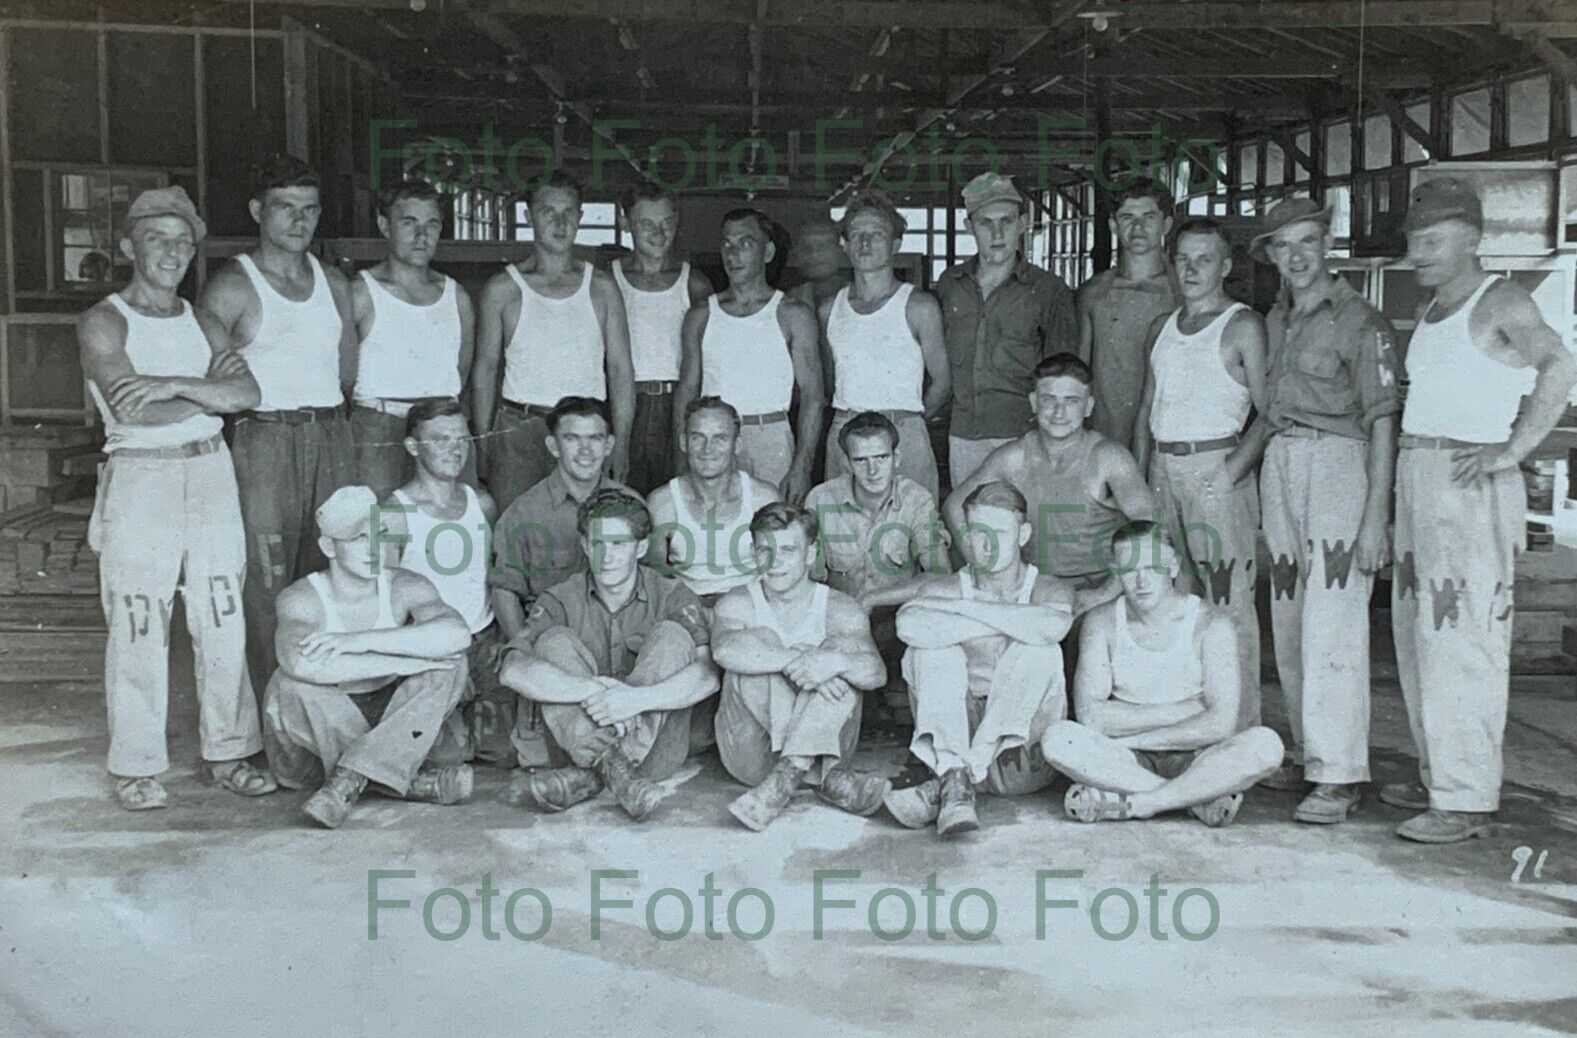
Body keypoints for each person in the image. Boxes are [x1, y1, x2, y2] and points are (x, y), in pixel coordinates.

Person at [1386, 177, 1576, 843]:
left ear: (1470, 238)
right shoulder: (1439, 304)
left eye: (1431, 242)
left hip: (1466, 476)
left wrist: (1513, 449)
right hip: (1421, 471)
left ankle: (1463, 798)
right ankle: (1439, 769)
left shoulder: (1501, 300)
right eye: (1413, 243)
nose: (1418, 255)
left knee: (1462, 638)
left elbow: (1559, 365)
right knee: (1418, 633)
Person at [78, 186, 275, 811]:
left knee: (222, 613)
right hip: (143, 477)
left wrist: (166, 383)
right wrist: (201, 392)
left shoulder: (200, 318)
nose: (171, 251)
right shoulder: (105, 319)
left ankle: (229, 750)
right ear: (129, 245)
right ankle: (135, 764)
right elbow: (143, 413)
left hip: (211, 473)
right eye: (157, 238)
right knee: (139, 617)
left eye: (183, 241)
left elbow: (248, 395)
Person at [1242, 197, 1402, 825]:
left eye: (1307, 240)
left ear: (1326, 242)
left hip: (1340, 463)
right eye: (1284, 246)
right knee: (1290, 612)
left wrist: (1374, 520)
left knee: (1333, 618)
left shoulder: (1363, 322)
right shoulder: (1277, 318)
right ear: (1273, 257)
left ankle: (1339, 774)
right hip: (1284, 461)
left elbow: (1383, 423)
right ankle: (1312, 752)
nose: (1297, 255)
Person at [198, 153, 357, 692]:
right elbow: (212, 381)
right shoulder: (232, 286)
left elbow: (347, 369)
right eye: (284, 207)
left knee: (334, 567)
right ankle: (272, 712)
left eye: (309, 209)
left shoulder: (334, 283)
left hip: (331, 431)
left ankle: (326, 698)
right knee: (266, 580)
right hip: (264, 438)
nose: (298, 220)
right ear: (256, 211)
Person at [1040, 522, 1285, 826]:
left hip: (1194, 756)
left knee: (1266, 745)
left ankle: (1139, 802)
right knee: (1058, 739)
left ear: (1172, 566)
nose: (1141, 581)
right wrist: (1188, 711)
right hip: (1126, 757)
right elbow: (1091, 717)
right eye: (1129, 570)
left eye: (1151, 567)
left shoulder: (1211, 624)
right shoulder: (1101, 622)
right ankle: (1194, 800)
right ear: (1116, 573)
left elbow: (1220, 725)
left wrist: (1134, 733)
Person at [498, 489, 720, 820]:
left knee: (673, 636)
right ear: (585, 546)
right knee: (553, 641)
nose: (607, 556)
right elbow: (512, 670)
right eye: (598, 544)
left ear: (641, 547)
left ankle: (596, 773)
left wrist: (637, 699)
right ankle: (616, 774)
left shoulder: (673, 594)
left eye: (618, 544)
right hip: (574, 746)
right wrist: (595, 691)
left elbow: (707, 676)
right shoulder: (560, 598)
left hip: (654, 754)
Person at [262, 486, 475, 829]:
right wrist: (403, 663)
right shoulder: (302, 597)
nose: (376, 548)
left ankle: (350, 780)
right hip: (319, 738)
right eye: (361, 539)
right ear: (329, 546)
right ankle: (404, 780)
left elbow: (456, 634)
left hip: (387, 716)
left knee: (450, 663)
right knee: (290, 685)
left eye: (380, 535)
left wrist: (358, 641)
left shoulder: (406, 584)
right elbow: (301, 663)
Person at [1131, 217, 1267, 730]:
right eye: (1182, 258)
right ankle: (1190, 722)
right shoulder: (1162, 328)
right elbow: (1147, 407)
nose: (1190, 269)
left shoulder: (1241, 324)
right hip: (1165, 470)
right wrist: (1146, 475)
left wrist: (1232, 471)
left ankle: (1242, 728)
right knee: (1175, 600)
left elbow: (1270, 411)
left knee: (1228, 606)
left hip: (1216, 468)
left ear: (1226, 266)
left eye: (1203, 259)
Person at [884, 482, 1074, 835]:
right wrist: (1011, 622)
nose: (987, 545)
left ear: (1023, 534)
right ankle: (956, 778)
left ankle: (959, 778)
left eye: (1000, 532)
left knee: (1039, 650)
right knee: (927, 651)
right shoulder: (946, 585)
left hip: (1020, 759)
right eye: (977, 533)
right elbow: (908, 624)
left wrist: (963, 610)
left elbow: (1053, 628)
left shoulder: (1048, 587)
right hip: (953, 745)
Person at [711, 503, 890, 830]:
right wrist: (802, 661)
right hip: (754, 758)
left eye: (788, 551)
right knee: (759, 642)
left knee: (840, 653)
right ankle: (802, 773)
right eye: (765, 550)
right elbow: (724, 651)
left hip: (827, 754)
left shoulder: (839, 608)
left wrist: (833, 661)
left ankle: (787, 775)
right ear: (754, 554)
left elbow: (875, 674)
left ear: (811, 554)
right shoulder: (737, 602)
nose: (775, 562)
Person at [472, 171, 634, 510]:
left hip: (585, 432)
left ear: (580, 217)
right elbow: (485, 371)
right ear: (530, 216)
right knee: (517, 532)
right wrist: (484, 442)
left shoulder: (601, 287)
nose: (560, 223)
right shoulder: (503, 289)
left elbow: (620, 370)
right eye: (549, 212)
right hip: (519, 430)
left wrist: (620, 443)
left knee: (584, 534)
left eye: (569, 213)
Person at [489, 396, 638, 766]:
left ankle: (597, 764)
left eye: (595, 438)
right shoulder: (524, 512)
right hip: (555, 651)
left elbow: (646, 583)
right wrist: (524, 646)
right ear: (553, 445)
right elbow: (505, 589)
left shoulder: (633, 506)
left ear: (610, 445)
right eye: (572, 439)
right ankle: (609, 764)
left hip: (618, 646)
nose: (585, 450)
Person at [945, 354, 1153, 600]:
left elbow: (1151, 527)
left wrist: (1106, 593)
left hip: (1096, 589)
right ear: (1034, 402)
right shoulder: (1014, 456)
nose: (1059, 411)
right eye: (1049, 399)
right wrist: (980, 566)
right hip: (1036, 589)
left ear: (1088, 407)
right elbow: (954, 504)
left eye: (1071, 401)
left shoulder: (1107, 457)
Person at [380, 399, 504, 767]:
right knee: (449, 754)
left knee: (506, 751)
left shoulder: (481, 503)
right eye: (440, 439)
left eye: (462, 439)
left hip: (481, 642)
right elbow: (384, 602)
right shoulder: (395, 512)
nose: (455, 449)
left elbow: (491, 577)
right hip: (432, 650)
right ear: (413, 447)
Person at [935, 172, 1077, 485]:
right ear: (969, 227)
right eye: (986, 222)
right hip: (963, 436)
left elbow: (1064, 377)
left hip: (1024, 437)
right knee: (969, 523)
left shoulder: (1049, 291)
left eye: (1007, 221)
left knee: (1024, 527)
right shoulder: (949, 285)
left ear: (1023, 223)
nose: (998, 232)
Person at [675, 208, 824, 501]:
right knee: (712, 530)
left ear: (767, 252)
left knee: (772, 533)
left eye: (745, 243)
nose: (733, 254)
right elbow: (687, 391)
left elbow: (813, 396)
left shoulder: (792, 314)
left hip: (771, 439)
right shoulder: (702, 315)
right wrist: (681, 460)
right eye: (726, 244)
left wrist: (802, 467)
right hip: (712, 438)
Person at [804, 410, 951, 706]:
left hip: (894, 623)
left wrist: (872, 598)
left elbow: (941, 576)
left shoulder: (916, 499)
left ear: (897, 458)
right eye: (861, 460)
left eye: (881, 458)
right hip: (839, 627)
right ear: (846, 462)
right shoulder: (821, 499)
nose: (873, 470)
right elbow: (806, 580)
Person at [349, 178, 476, 499]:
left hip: (442, 429)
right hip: (379, 428)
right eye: (409, 223)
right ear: (384, 225)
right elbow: (342, 374)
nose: (422, 236)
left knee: (447, 529)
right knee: (378, 532)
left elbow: (462, 370)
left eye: (432, 224)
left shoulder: (455, 296)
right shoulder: (361, 292)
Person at [819, 189, 949, 498]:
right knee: (844, 532)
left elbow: (943, 383)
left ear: (896, 245)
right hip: (846, 432)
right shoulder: (829, 309)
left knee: (909, 533)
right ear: (845, 245)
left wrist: (903, 423)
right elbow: (830, 379)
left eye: (876, 234)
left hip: (902, 434)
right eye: (856, 235)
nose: (865, 243)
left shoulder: (919, 305)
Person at [612, 184, 714, 493]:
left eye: (667, 222)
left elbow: (707, 361)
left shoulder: (694, 283)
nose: (659, 232)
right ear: (624, 222)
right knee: (623, 494)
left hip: (679, 405)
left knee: (679, 497)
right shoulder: (609, 281)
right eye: (647, 224)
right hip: (625, 404)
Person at [648, 396, 779, 607]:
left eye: (719, 438)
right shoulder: (663, 502)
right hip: (688, 608)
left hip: (750, 608)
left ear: (737, 445)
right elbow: (655, 576)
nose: (707, 449)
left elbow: (778, 570)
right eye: (698, 437)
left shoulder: (763, 498)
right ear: (683, 442)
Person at [1077, 183, 1180, 448]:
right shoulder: (1093, 293)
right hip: (1106, 435)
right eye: (1127, 218)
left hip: (1169, 436)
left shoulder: (1184, 290)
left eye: (1149, 218)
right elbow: (1078, 374)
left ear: (1166, 225)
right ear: (1113, 225)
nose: (1138, 228)